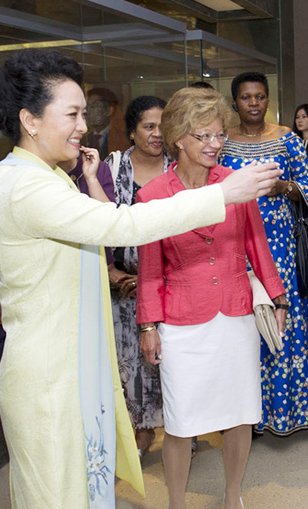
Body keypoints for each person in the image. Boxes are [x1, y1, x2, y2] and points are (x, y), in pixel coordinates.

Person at [0, 49, 280, 509]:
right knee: (56, 492)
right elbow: (125, 227)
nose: (85, 125)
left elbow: (100, 220)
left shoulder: (48, 177)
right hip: (47, 373)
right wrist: (221, 194)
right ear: (31, 120)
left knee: (82, 482)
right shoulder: (28, 187)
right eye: (73, 114)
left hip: (68, 361)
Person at [136, 87, 287, 509]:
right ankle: (177, 502)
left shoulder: (233, 183)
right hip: (182, 320)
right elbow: (150, 269)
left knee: (239, 413)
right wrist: (148, 325)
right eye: (203, 136)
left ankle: (232, 494)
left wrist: (278, 297)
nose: (214, 144)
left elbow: (257, 243)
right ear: (178, 138)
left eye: (219, 135)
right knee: (182, 422)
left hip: (236, 313)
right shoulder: (153, 196)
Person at [219, 72, 308, 435]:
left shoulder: (286, 138)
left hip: (278, 243)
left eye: (260, 96)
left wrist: (285, 187)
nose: (254, 103)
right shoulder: (221, 142)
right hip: (233, 240)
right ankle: (241, 414)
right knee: (240, 319)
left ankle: (286, 410)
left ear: (268, 100)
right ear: (234, 101)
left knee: (284, 318)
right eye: (247, 97)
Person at [104, 95, 171, 459]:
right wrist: (112, 272)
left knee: (170, 360)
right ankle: (142, 430)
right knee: (130, 364)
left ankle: (181, 431)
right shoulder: (112, 169)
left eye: (163, 126)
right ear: (132, 131)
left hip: (169, 285)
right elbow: (94, 220)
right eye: (148, 126)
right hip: (123, 286)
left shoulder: (179, 168)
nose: (157, 134)